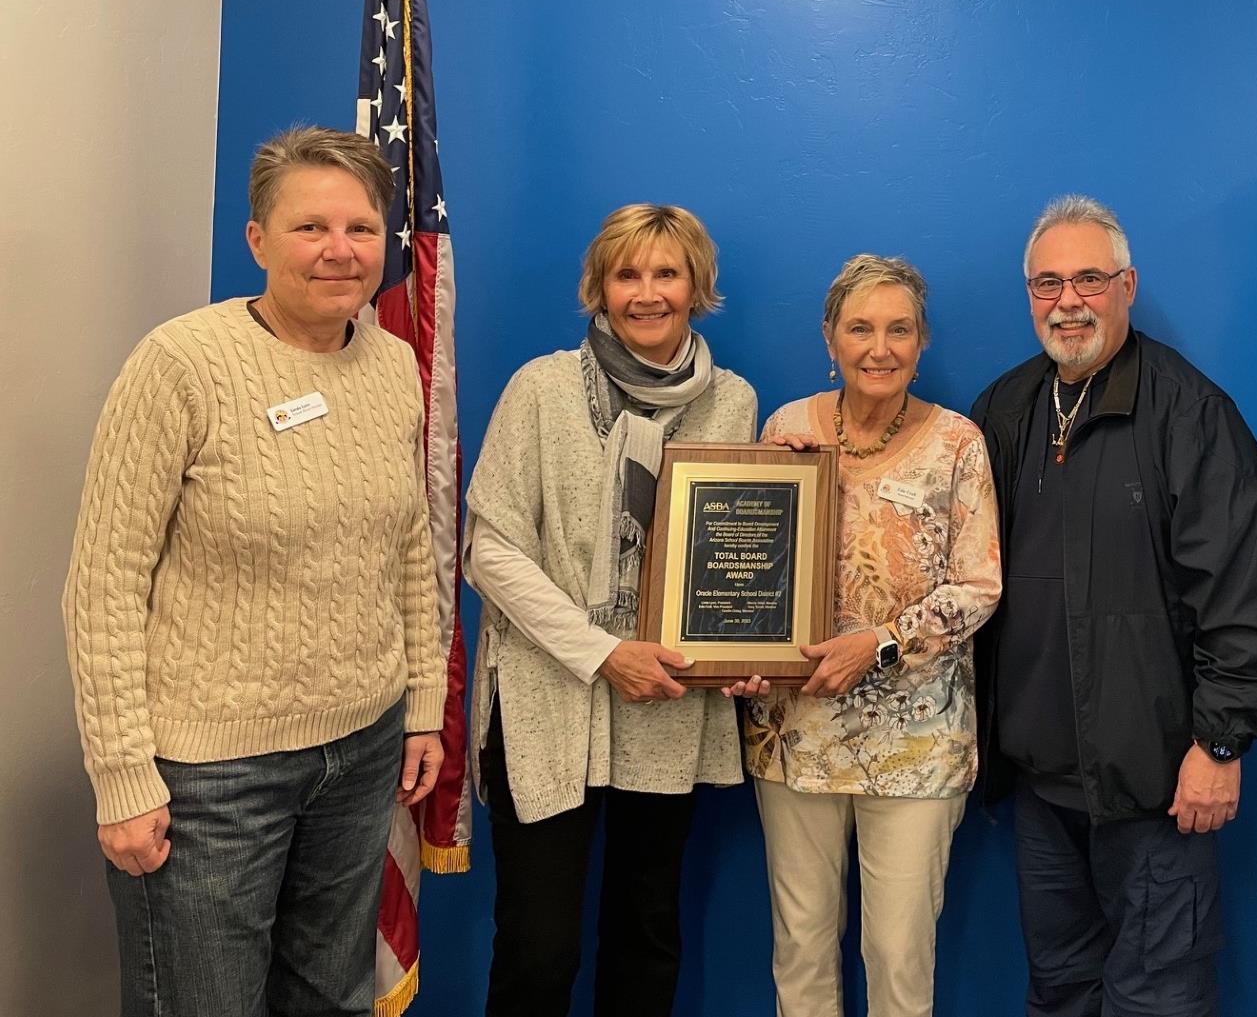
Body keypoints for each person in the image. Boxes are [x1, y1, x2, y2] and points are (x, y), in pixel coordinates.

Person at [63, 125, 447, 1016]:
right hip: (210, 775)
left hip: (361, 749)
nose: (339, 250)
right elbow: (104, 585)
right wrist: (121, 774)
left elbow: (407, 544)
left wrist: (422, 703)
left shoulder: (393, 365)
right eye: (310, 227)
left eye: (360, 227)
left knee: (330, 997)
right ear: (257, 239)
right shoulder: (181, 364)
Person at [968, 194, 1257, 1016]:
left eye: (1089, 279)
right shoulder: (1003, 411)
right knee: (1060, 991)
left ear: (1128, 286)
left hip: (1158, 789)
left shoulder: (1191, 413)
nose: (1067, 302)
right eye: (1047, 283)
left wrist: (1220, 743)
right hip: (1041, 785)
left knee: (1160, 999)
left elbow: (1248, 590)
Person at [463, 204, 757, 1016]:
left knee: (646, 934)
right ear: (600, 286)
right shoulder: (541, 387)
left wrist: (746, 640)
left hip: (665, 700)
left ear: (697, 286)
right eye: (628, 274)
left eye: (667, 273)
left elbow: (734, 552)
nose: (647, 292)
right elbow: (490, 552)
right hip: (545, 700)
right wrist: (602, 651)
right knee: (539, 947)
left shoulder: (732, 402)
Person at [722, 254, 1001, 1017]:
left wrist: (879, 642)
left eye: (899, 329)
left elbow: (979, 587)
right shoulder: (786, 429)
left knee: (898, 959)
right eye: (860, 328)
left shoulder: (958, 443)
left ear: (922, 340)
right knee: (801, 952)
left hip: (917, 748)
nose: (880, 348)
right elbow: (748, 571)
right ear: (829, 337)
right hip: (796, 737)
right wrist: (740, 650)